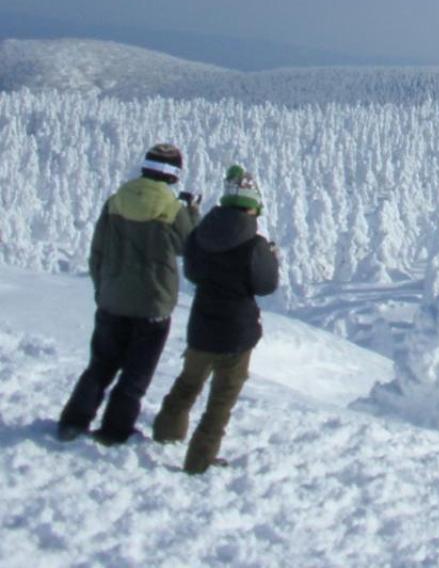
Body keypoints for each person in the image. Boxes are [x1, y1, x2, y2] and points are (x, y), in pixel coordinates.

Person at [58, 142, 201, 444]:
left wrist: (103, 289)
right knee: (136, 374)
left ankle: (73, 421)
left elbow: (97, 251)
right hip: (153, 304)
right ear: (175, 174)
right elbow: (190, 247)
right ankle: (114, 429)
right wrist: (193, 212)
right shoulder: (172, 209)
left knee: (100, 365)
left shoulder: (116, 201)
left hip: (112, 300)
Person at [153, 165, 279, 473]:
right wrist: (271, 259)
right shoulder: (254, 245)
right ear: (253, 207)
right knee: (221, 400)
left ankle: (167, 431)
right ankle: (200, 459)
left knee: (188, 382)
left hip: (203, 323)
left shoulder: (200, 236)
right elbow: (266, 285)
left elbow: (193, 272)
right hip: (237, 331)